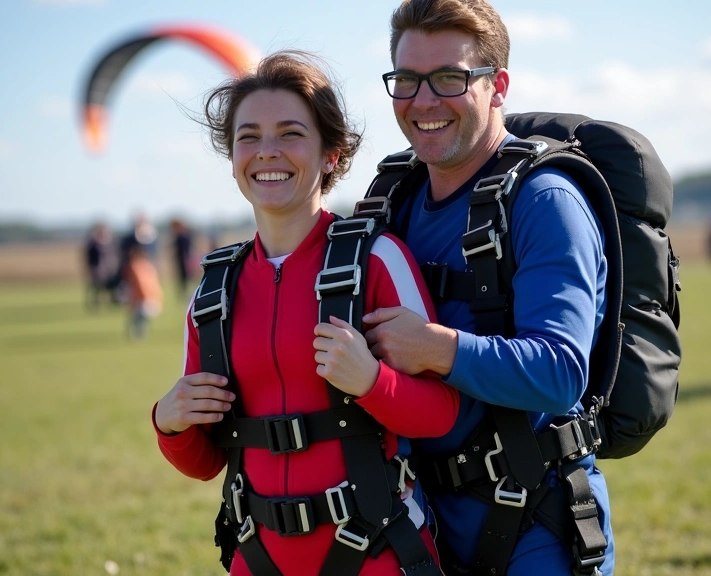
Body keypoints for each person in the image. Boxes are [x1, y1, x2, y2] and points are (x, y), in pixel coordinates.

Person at [152, 50, 460, 575]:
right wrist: (169, 423)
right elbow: (206, 463)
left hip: (375, 553)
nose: (267, 152)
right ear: (232, 157)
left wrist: (371, 383)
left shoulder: (377, 260)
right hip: (257, 556)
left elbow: (441, 415)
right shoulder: (213, 288)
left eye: (290, 133)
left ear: (331, 155)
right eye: (248, 136)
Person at [361, 1, 614, 574]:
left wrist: (437, 348)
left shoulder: (546, 202)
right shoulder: (391, 200)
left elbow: (559, 371)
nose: (423, 101)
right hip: (419, 517)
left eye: (450, 78)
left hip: (536, 519)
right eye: (405, 80)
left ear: (497, 86)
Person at [123, 243, 163, 339]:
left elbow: (140, 285)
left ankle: (138, 336)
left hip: (144, 301)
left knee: (136, 318)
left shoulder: (135, 266)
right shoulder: (149, 266)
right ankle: (140, 334)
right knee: (138, 318)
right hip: (154, 301)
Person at [82, 222, 117, 309]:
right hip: (96, 268)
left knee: (110, 286)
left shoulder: (109, 243)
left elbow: (112, 255)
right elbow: (88, 258)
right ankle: (95, 303)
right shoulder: (92, 244)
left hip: (107, 268)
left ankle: (112, 301)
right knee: (97, 287)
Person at [169, 218, 195, 298]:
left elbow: (184, 251)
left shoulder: (182, 237)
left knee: (186, 280)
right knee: (183, 281)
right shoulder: (182, 236)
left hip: (184, 262)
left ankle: (188, 295)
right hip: (182, 262)